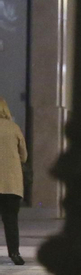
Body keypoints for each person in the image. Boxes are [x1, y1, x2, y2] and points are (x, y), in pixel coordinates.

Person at [0, 98, 24, 265]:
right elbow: (24, 156)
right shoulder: (14, 128)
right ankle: (14, 253)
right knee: (10, 220)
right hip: (11, 184)